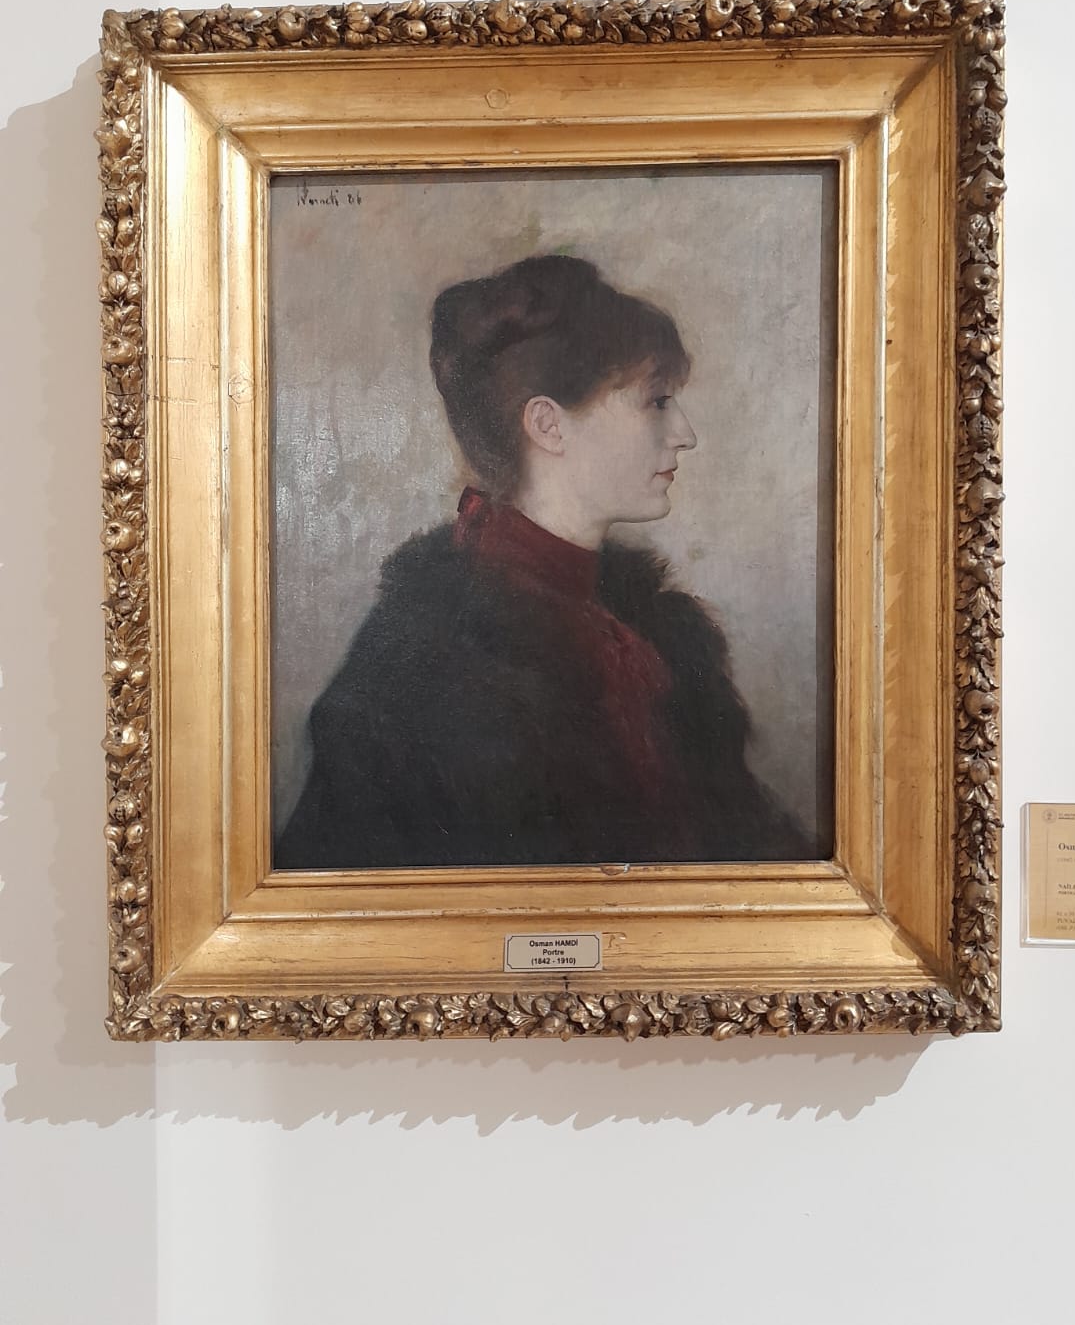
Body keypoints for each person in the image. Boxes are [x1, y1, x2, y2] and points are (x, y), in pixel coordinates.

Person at [274, 254, 816, 869]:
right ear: (548, 425)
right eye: (657, 401)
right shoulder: (421, 670)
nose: (685, 433)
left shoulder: (657, 637)